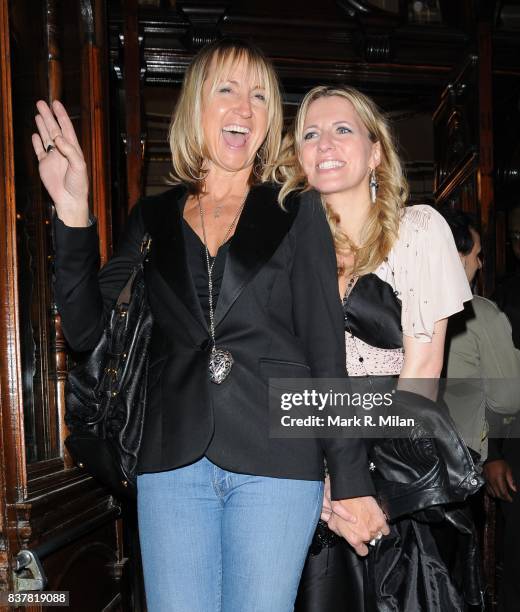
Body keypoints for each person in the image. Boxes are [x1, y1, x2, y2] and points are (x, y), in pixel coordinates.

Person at [32, 40, 388, 612]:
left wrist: (350, 478)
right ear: (196, 105)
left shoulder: (298, 212)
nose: (244, 109)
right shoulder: (151, 218)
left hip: (278, 462)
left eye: (259, 98)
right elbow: (85, 332)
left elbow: (328, 355)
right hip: (169, 460)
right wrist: (74, 214)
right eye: (227, 90)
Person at [273, 85, 474, 611]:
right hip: (299, 475)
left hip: (395, 473)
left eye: (343, 129)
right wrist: (316, 485)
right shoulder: (281, 248)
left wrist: (363, 489)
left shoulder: (419, 230)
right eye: (310, 134)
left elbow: (422, 372)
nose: (326, 144)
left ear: (376, 151)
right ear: (298, 158)